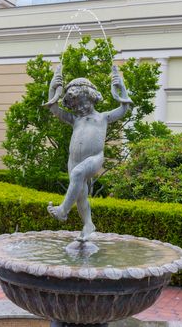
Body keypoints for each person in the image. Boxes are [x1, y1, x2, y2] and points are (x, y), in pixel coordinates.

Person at [45, 64, 132, 241]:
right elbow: (53, 108)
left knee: (77, 174)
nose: (76, 107)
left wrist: (120, 87)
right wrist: (52, 87)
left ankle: (62, 211)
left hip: (94, 158)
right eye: (74, 104)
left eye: (79, 102)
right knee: (81, 196)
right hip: (73, 160)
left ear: (89, 98)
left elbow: (124, 109)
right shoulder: (74, 119)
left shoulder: (103, 117)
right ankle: (88, 225)